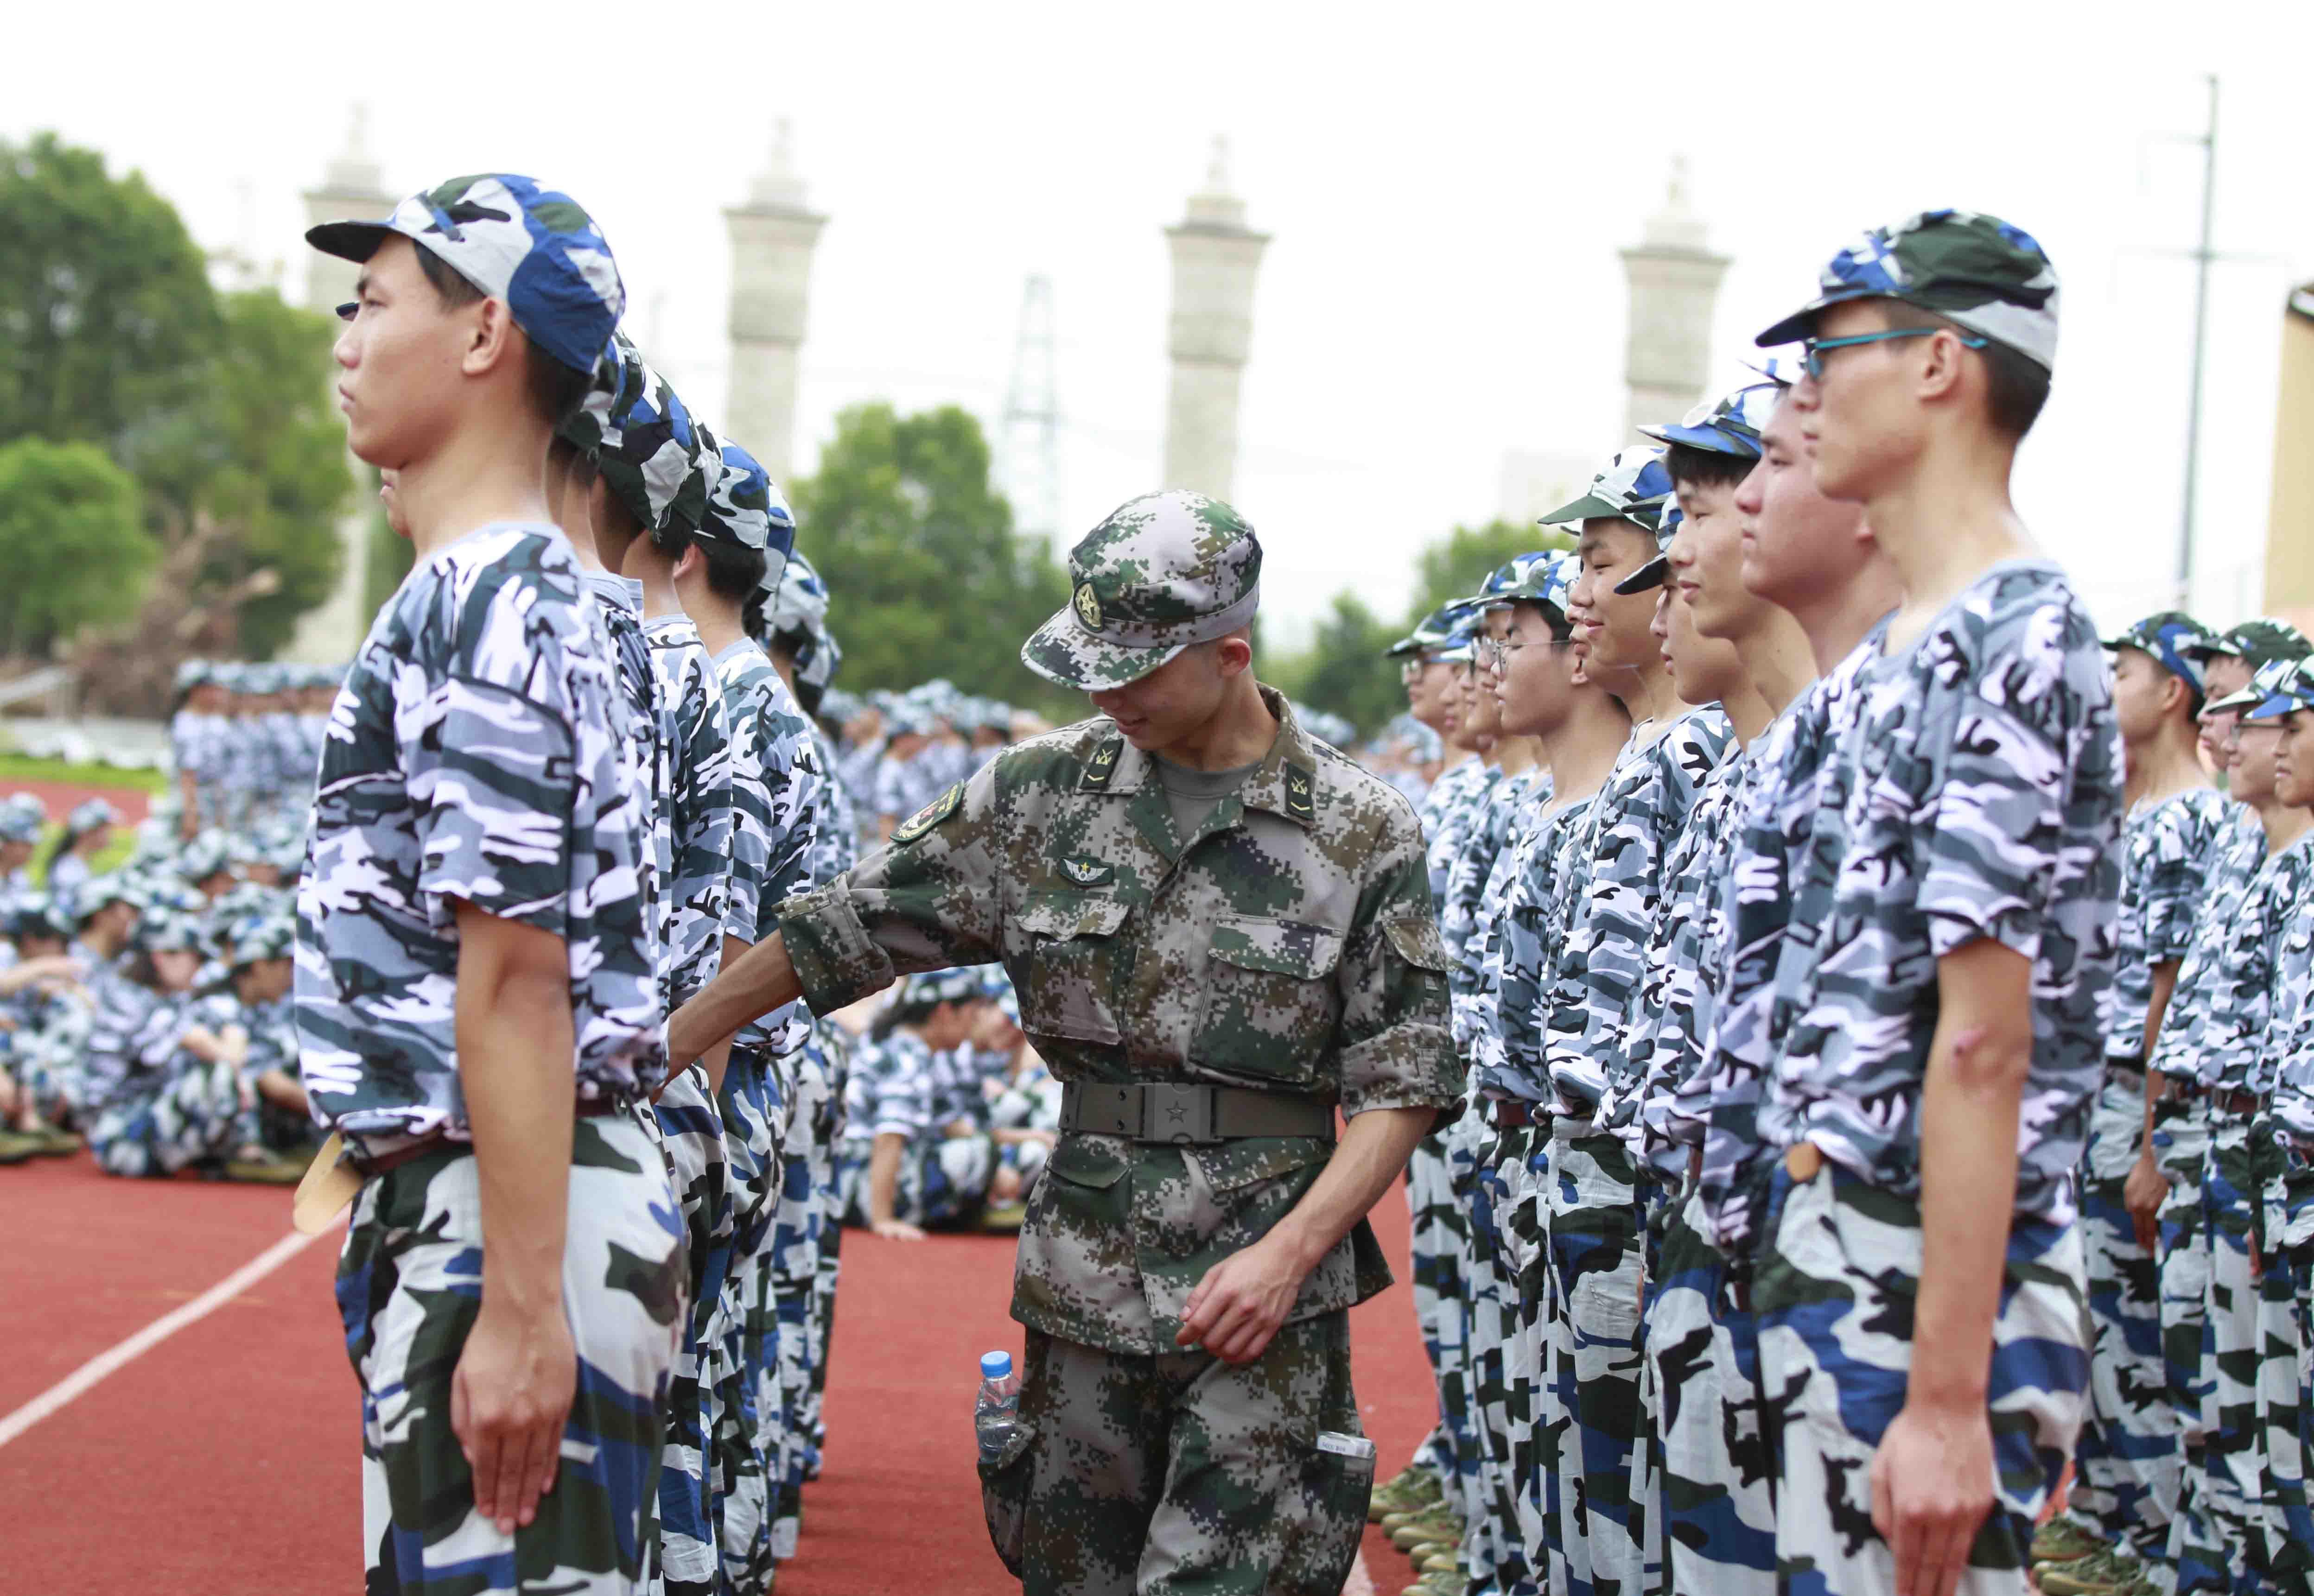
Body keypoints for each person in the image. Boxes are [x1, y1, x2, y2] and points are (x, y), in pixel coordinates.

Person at [667, 488, 1460, 1596]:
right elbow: (839, 931)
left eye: (1133, 668)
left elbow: (1404, 1081)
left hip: (1260, 1291)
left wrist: (1288, 1258)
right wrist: (657, 1046)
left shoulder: (1359, 829)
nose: (1103, 692)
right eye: (1088, 663)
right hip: (1084, 1277)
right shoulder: (1040, 797)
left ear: (1230, 655)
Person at [296, 171, 679, 1594]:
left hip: (512, 1213)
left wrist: (517, 1307)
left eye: (375, 299)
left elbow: (517, 974)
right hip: (512, 1201)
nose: (343, 338)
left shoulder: (489, 596)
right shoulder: (519, 585)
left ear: (483, 338)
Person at [1746, 209, 2120, 1596]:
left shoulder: (2020, 633)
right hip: (1848, 1246)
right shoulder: (1917, 640)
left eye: (1836, 348)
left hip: (1926, 1283)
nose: (1811, 386)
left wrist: (1952, 1398)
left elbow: (1984, 1041)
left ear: (1940, 366)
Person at [2028, 614, 2231, 1582]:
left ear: (2173, 693)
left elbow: (2169, 991)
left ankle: (2149, 1533)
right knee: (2097, 1319)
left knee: (2141, 1328)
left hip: (2130, 1103)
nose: (2106, 685)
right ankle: (2108, 1512)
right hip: (2088, 1103)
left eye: (2126, 671)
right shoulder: (2129, 810)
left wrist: (2153, 1142)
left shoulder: (2196, 820)